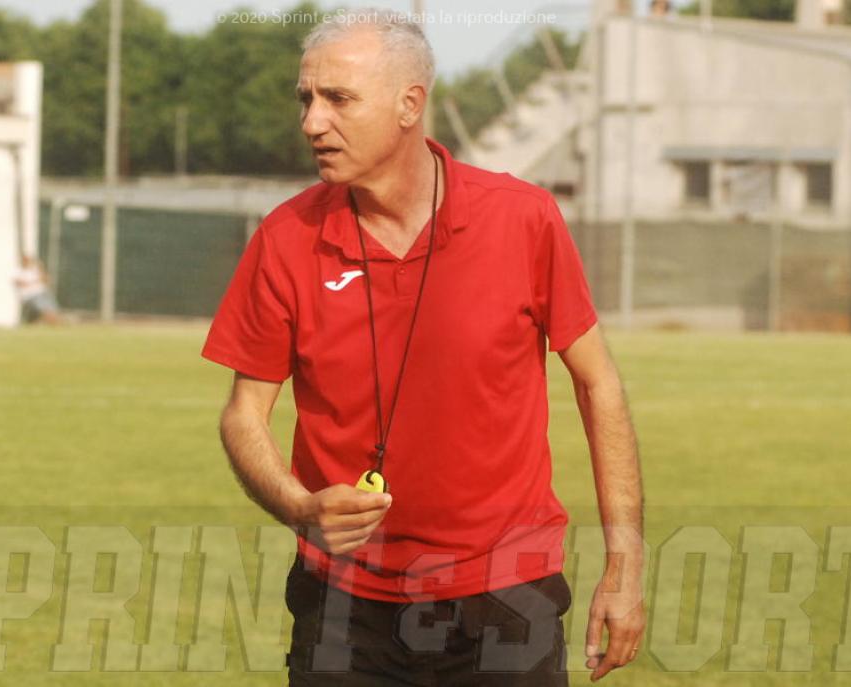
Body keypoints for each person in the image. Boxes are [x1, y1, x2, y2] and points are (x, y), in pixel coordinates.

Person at [202, 8, 645, 685]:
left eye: (338, 98)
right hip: (343, 604)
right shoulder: (284, 237)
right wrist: (299, 507)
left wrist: (624, 565)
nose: (312, 122)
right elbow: (243, 412)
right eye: (306, 98)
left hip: (506, 596)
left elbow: (598, 383)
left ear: (410, 104)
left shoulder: (522, 218)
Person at [13, 255, 60, 325]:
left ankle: (55, 321)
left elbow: (47, 279)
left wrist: (40, 269)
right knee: (44, 308)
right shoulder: (18, 271)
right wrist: (36, 281)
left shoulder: (34, 270)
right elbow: (20, 283)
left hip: (43, 293)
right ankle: (51, 322)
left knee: (52, 307)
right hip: (30, 296)